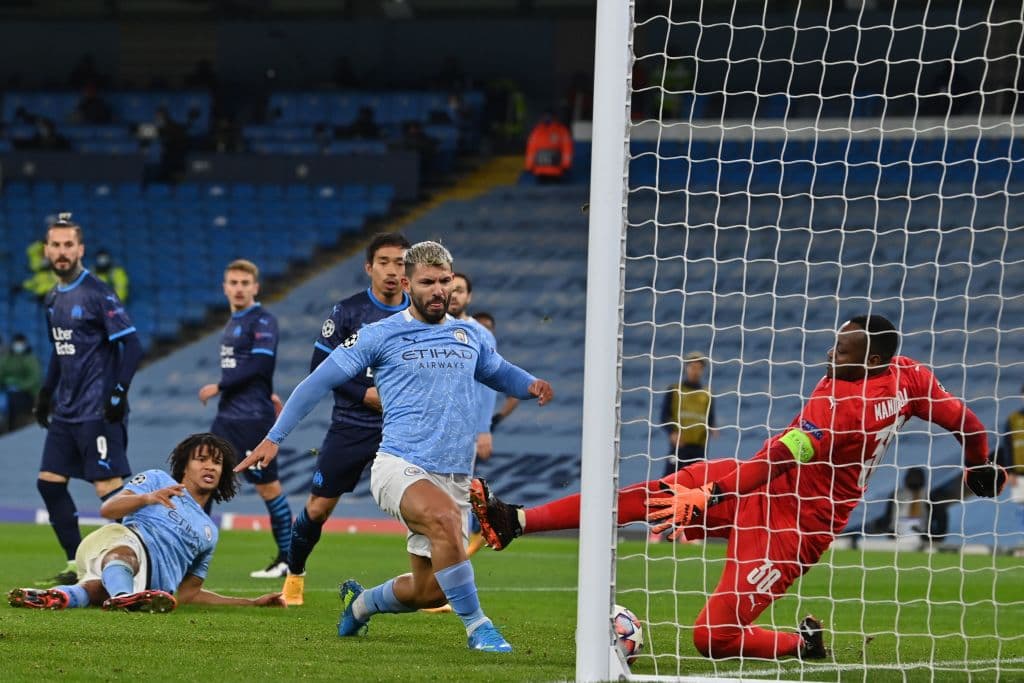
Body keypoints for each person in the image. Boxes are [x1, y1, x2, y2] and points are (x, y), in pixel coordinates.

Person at [470, 315, 1005, 661]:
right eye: (836, 345)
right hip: (764, 490)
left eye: (844, 353)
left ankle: (802, 646)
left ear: (872, 362)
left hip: (796, 526)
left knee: (712, 639)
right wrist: (979, 464)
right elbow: (966, 420)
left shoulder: (843, 411)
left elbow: (771, 459)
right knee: (651, 494)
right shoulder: (909, 376)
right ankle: (516, 520)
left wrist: (712, 494)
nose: (831, 356)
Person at [235, 241, 554, 653]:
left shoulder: (469, 333)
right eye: (428, 282)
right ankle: (480, 628)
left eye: (445, 281)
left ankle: (361, 604)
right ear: (407, 283)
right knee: (441, 518)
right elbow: (318, 381)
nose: (439, 290)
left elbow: (498, 372)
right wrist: (274, 438)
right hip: (399, 465)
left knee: (431, 592)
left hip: (453, 473)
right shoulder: (379, 334)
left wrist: (530, 385)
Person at [8, 433, 286, 612]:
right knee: (124, 552)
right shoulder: (157, 480)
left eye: (217, 463)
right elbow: (109, 508)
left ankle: (55, 597)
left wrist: (251, 603)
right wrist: (148, 498)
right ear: (184, 465)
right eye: (201, 460)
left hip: (151, 589)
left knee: (93, 590)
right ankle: (123, 599)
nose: (210, 467)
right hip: (121, 545)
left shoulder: (209, 531)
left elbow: (190, 594)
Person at [281, 232, 411, 606]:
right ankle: (294, 574)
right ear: (369, 267)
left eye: (400, 262)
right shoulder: (348, 312)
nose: (392, 270)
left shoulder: (419, 314)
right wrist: (363, 394)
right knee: (319, 508)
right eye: (384, 262)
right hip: (351, 426)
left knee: (422, 510)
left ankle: (430, 587)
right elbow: (318, 369)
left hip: (403, 429)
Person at [34, 213, 145, 586]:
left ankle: (138, 562)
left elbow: (131, 343)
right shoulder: (53, 297)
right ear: (46, 250)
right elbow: (58, 350)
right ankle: (75, 563)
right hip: (66, 411)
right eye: (56, 245)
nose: (62, 252)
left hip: (98, 409)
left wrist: (118, 392)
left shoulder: (97, 292)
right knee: (49, 484)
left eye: (69, 245)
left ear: (80, 249)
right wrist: (45, 393)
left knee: (109, 492)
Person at [198, 259, 292, 579]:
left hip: (253, 419)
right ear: (224, 288)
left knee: (269, 489)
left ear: (255, 287)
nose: (238, 288)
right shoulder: (232, 322)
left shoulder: (263, 320)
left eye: (244, 283)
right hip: (227, 418)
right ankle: (193, 555)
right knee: (201, 482)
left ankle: (288, 559)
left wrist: (220, 385)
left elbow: (261, 366)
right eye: (233, 283)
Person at [661, 351, 716, 476]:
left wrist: (712, 428)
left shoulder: (707, 393)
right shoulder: (675, 390)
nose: (695, 371)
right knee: (669, 481)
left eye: (699, 368)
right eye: (692, 367)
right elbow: (664, 416)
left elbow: (710, 417)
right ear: (686, 368)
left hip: (699, 448)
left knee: (697, 482)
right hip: (680, 446)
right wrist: (672, 432)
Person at [472, 312, 519, 431]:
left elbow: (514, 396)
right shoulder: (455, 358)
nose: (483, 332)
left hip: (480, 433)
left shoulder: (496, 365)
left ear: (493, 332)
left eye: (487, 328)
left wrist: (497, 418)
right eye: (479, 327)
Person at [0, 332, 42, 431]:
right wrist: (9, 382)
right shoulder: (8, 359)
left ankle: (12, 428)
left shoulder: (31, 359)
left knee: (14, 400)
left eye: (20, 344)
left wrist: (20, 386)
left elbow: (34, 379)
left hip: (29, 394)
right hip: (9, 392)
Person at [524, 110, 573, 182]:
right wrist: (529, 166)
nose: (548, 118)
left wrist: (566, 165)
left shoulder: (561, 130)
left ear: (554, 118)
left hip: (556, 172)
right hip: (540, 172)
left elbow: (567, 149)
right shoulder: (537, 131)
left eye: (550, 116)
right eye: (546, 116)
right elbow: (531, 150)